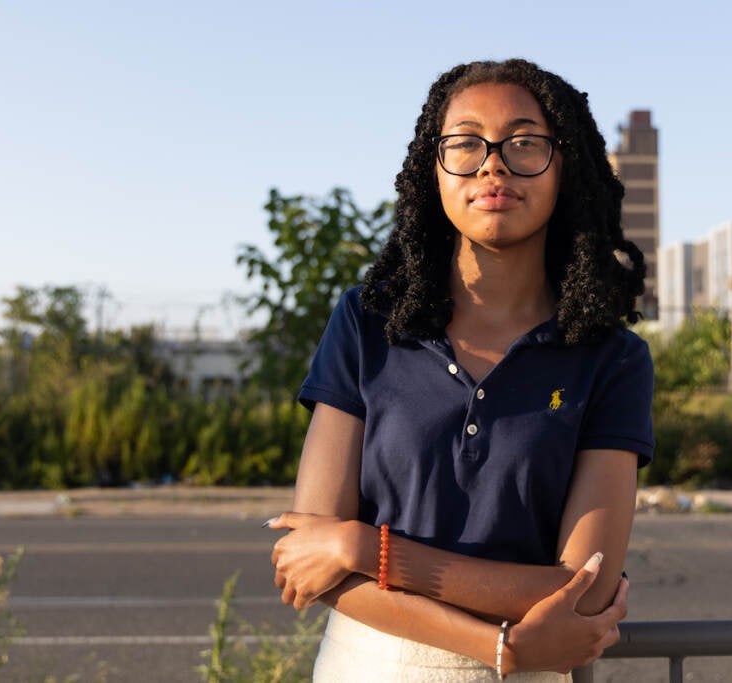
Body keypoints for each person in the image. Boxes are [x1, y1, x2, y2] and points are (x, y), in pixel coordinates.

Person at [266, 58, 654, 681]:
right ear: (434, 168)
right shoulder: (366, 322)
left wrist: (368, 547)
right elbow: (312, 562)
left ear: (566, 169)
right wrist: (497, 646)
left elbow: (583, 587)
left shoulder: (613, 359)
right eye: (466, 143)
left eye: (524, 143)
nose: (493, 163)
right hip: (369, 666)